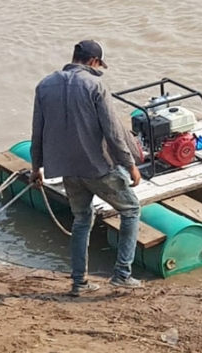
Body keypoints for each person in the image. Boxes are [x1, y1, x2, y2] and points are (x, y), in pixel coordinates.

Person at [30, 39, 143, 296]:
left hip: (67, 170)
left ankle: (79, 282)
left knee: (82, 220)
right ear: (94, 62)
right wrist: (130, 165)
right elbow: (113, 132)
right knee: (131, 210)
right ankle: (122, 274)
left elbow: (38, 131)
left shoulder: (45, 85)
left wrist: (36, 168)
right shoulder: (96, 85)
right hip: (97, 167)